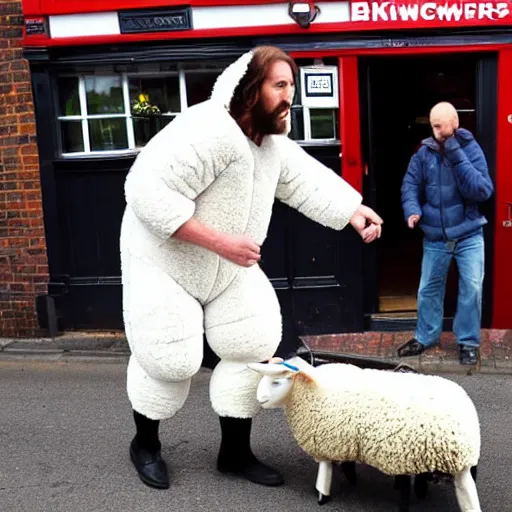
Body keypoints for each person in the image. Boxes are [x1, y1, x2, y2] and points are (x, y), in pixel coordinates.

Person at [120, 46, 383, 491]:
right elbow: (145, 191)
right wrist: (222, 242)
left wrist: (353, 210)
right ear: (249, 88)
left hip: (226, 268)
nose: (289, 97)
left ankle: (235, 453)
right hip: (164, 263)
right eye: (279, 86)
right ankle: (145, 445)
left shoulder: (270, 144)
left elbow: (304, 178)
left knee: (253, 341)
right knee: (169, 359)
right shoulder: (207, 130)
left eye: (292, 88)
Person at [398, 102, 493, 365]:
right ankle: (425, 336)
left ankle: (468, 342)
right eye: (435, 126)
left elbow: (482, 190)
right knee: (428, 289)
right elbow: (410, 185)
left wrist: (454, 152)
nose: (439, 131)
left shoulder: (470, 149)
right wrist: (412, 210)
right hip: (435, 235)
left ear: (456, 123)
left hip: (469, 235)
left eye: (443, 125)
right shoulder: (423, 154)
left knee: (471, 288)